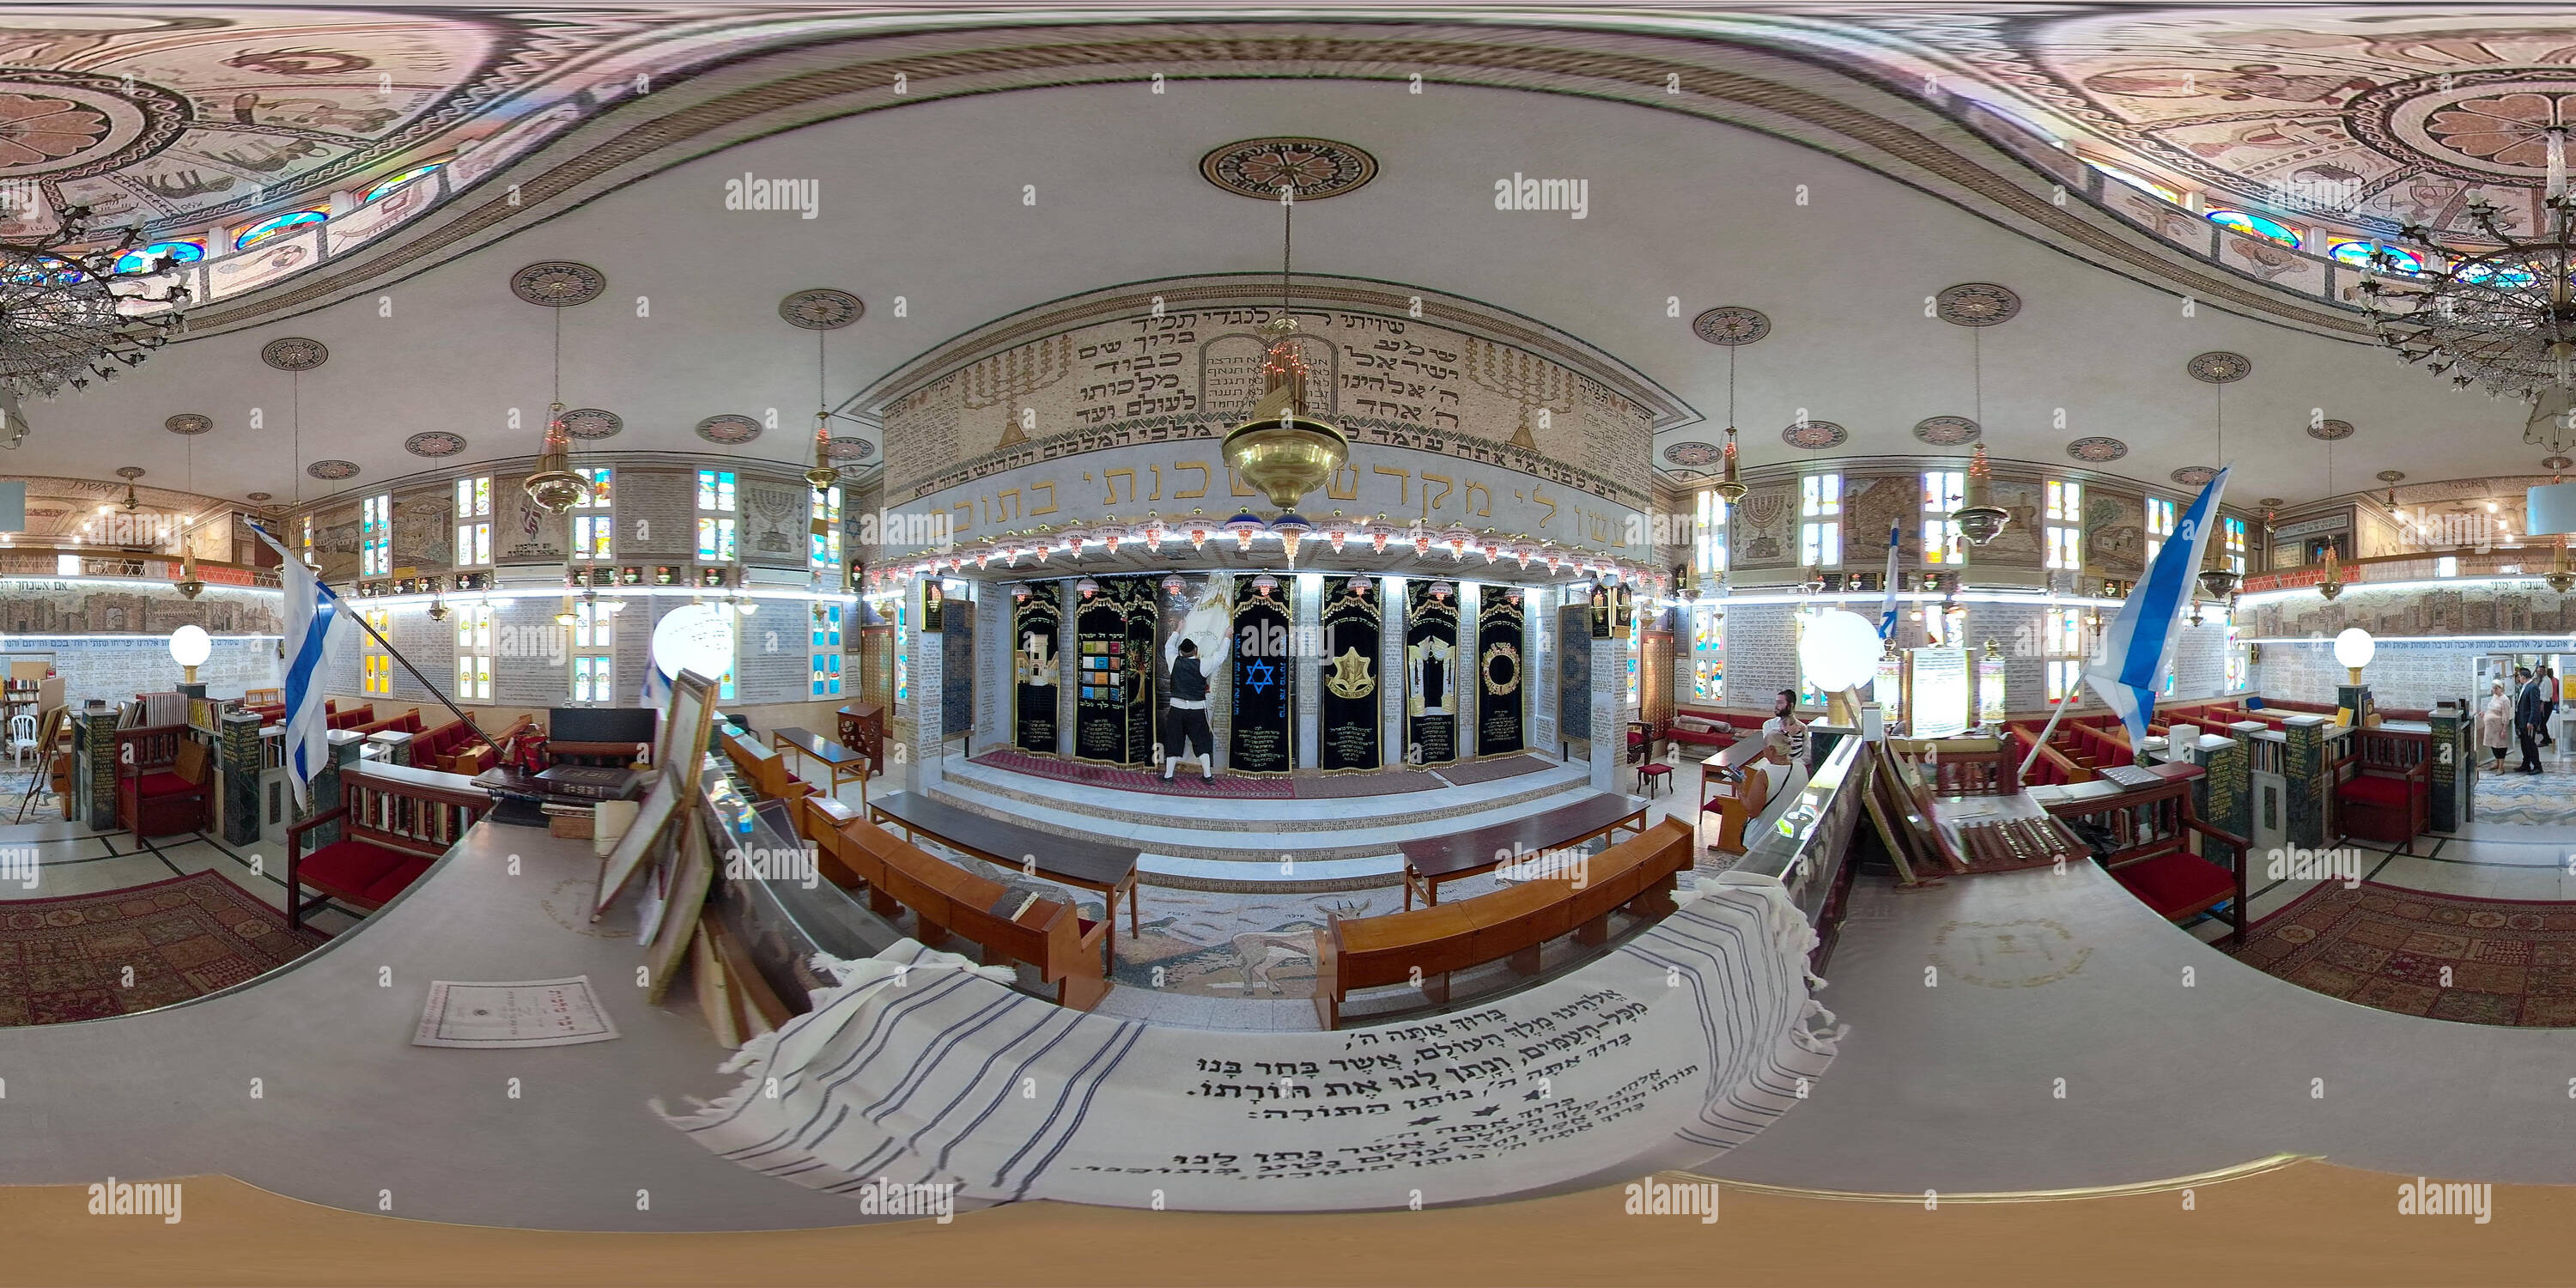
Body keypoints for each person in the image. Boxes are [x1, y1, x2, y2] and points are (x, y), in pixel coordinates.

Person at [1163, 637, 1214, 784]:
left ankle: (1168, 776)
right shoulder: (1203, 664)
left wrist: (1177, 631)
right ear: (1196, 650)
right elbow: (1221, 656)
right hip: (1197, 710)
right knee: (1202, 742)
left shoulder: (1174, 661)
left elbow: (1168, 646)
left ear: (1180, 652)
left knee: (1174, 741)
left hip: (1177, 709)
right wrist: (1227, 637)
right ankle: (1208, 776)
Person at [2516, 666, 2547, 774]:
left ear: (2523, 677)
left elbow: (2535, 706)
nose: (2518, 678)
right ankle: (2526, 764)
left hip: (2529, 722)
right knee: (2524, 744)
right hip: (2522, 721)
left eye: (2519, 676)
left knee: (2530, 744)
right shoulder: (2524, 686)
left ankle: (2537, 766)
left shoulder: (2532, 687)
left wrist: (2531, 721)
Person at [2481, 679, 2513, 774]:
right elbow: (2490, 708)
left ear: (2501, 688)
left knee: (2500, 746)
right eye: (2493, 688)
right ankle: (2497, 763)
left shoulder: (2505, 700)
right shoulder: (2494, 696)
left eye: (2496, 688)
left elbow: (2506, 715)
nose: (2494, 690)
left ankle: (2501, 767)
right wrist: (2484, 714)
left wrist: (2504, 729)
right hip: (2490, 727)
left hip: (2499, 727)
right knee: (2493, 745)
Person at [2543, 665, 2561, 751]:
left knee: (2550, 717)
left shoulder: (2547, 681)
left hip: (2551, 700)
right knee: (2554, 716)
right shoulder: (2555, 680)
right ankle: (2552, 733)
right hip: (2556, 699)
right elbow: (2558, 690)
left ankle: (2551, 733)